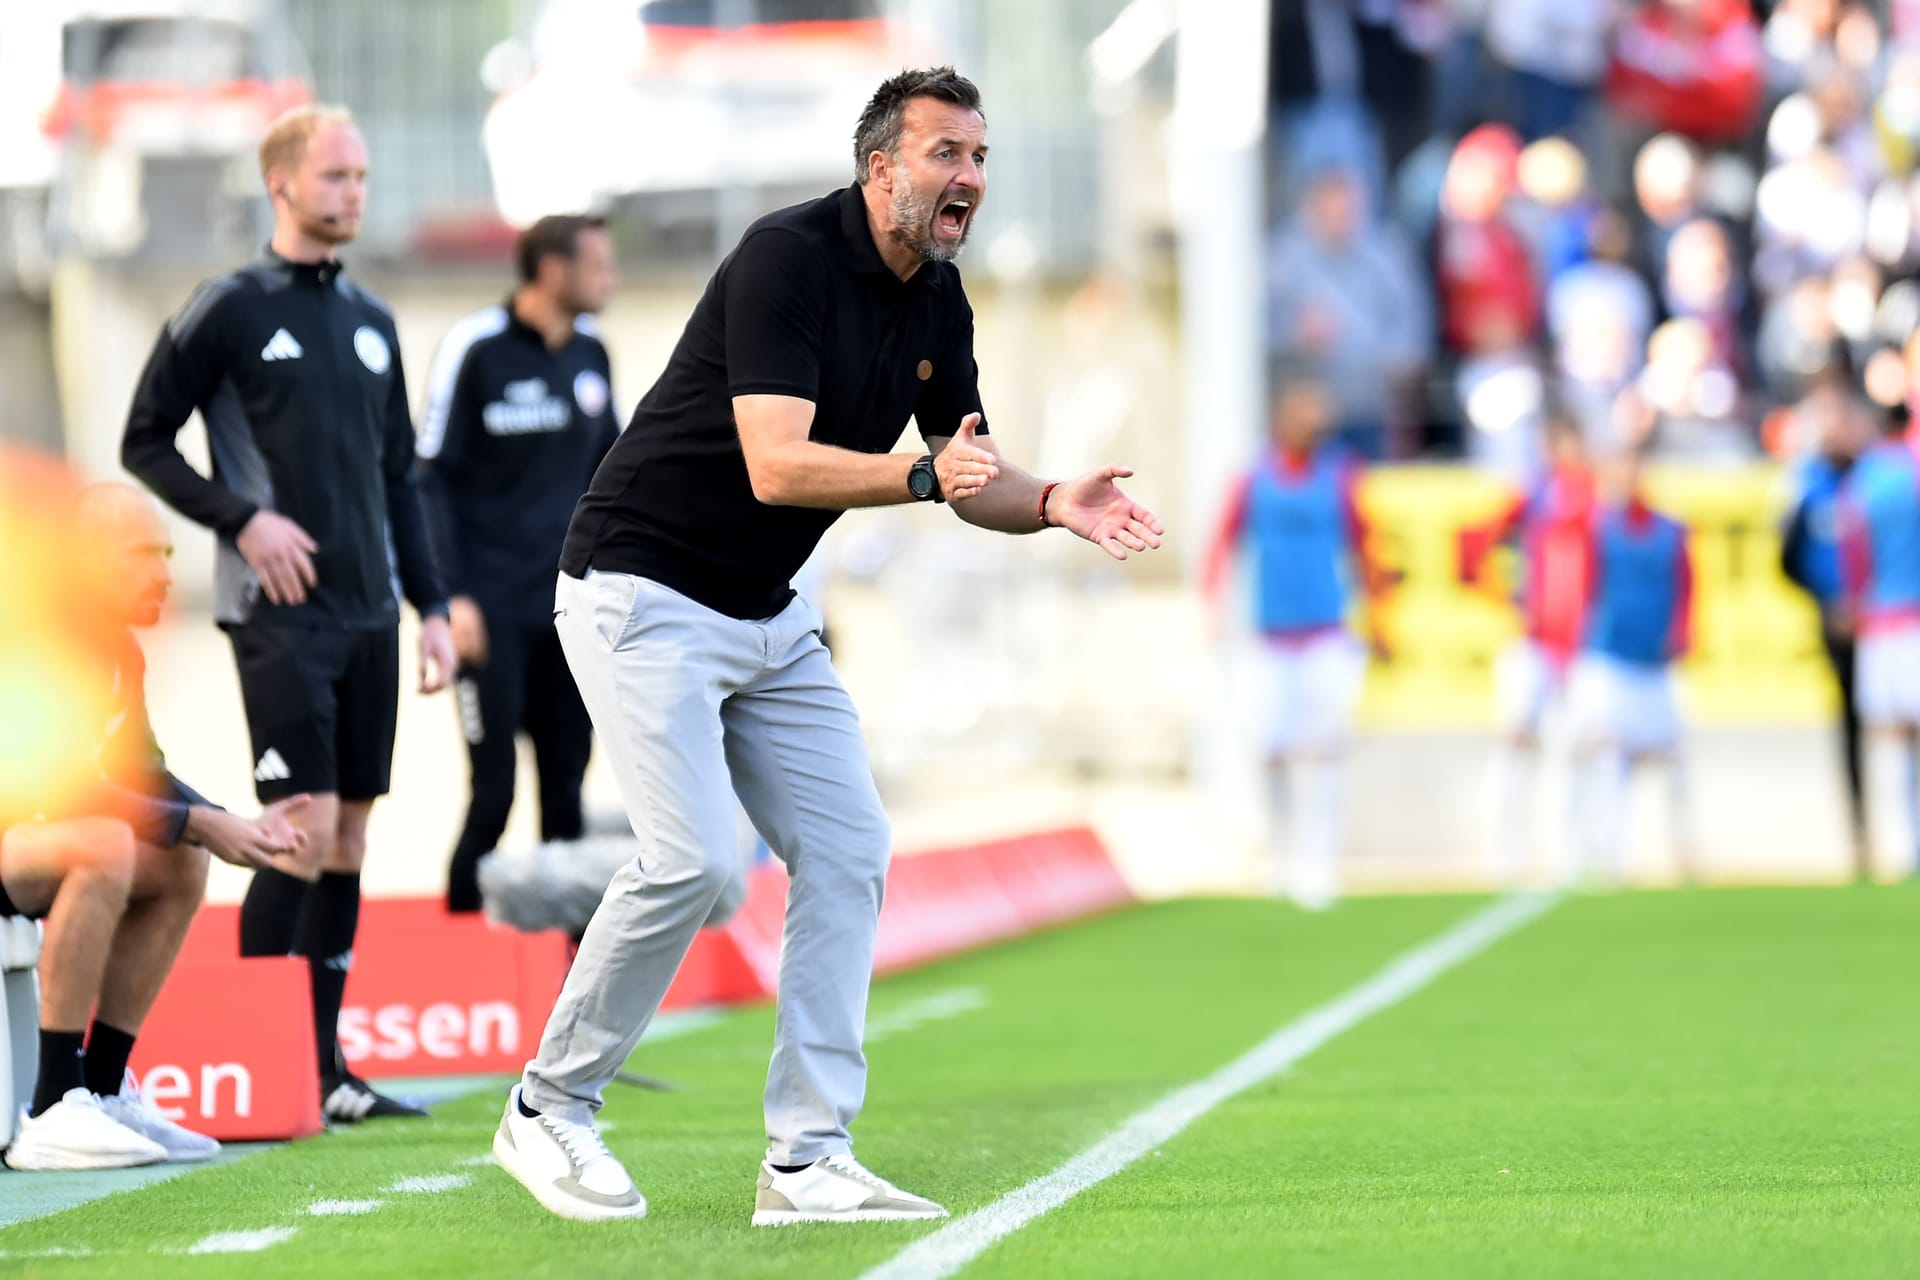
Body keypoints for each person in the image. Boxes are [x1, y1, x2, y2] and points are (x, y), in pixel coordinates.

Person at [491, 67, 1164, 1225]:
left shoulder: (938, 298)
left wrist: (1053, 497)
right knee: (697, 857)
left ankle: (805, 1158)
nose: (971, 179)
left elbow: (970, 470)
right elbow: (778, 461)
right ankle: (549, 1103)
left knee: (849, 847)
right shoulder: (785, 257)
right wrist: (917, 473)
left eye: (983, 157)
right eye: (948, 154)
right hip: (640, 590)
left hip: (767, 609)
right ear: (881, 169)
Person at [120, 103, 457, 1123]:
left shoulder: (372, 319)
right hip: (277, 614)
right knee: (296, 830)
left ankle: (323, 1068)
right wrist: (246, 519)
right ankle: (253, 1063)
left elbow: (401, 475)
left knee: (350, 836)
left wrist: (433, 606)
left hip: (369, 616)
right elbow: (145, 438)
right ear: (283, 183)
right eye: (337, 177)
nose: (355, 193)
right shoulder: (227, 305)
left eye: (361, 177)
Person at [3, 485, 310, 1170]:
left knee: (180, 860)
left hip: (38, 843)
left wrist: (230, 824)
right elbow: (62, 782)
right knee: (110, 841)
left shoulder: (121, 651)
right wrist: (197, 821)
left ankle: (105, 1090)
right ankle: (54, 1104)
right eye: (146, 554)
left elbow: (143, 776)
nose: (168, 573)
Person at [416, 215, 620, 914]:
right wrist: (450, 598)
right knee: (495, 790)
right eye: (599, 266)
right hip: (490, 610)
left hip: (570, 610)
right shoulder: (476, 348)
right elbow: (429, 477)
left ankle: (570, 975)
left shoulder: (593, 353)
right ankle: (462, 947)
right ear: (553, 271)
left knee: (566, 791)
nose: (610, 280)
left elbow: (613, 472)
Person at [1202, 380, 1386, 910]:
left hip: (1327, 632)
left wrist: (1375, 616)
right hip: (1271, 635)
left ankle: (1319, 861)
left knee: (1325, 749)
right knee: (1272, 748)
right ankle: (1280, 855)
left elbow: (1365, 545)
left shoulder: (1340, 473)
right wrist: (1213, 606)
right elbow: (1224, 540)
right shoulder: (1254, 477)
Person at [1457, 413, 1598, 884]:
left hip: (1579, 646)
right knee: (1516, 744)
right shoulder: (1533, 495)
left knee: (1573, 747)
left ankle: (1567, 853)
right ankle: (1503, 853)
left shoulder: (1596, 502)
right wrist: (1505, 597)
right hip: (1533, 640)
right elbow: (1472, 546)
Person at [1566, 443, 1696, 885]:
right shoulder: (1598, 527)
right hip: (1609, 658)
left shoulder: (1671, 530)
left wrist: (1681, 633)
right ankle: (1609, 855)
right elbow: (1582, 588)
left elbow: (1686, 586)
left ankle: (1683, 852)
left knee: (1672, 757)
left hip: (1654, 663)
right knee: (1606, 755)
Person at [1781, 371, 1870, 876]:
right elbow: (1789, 558)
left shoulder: (1880, 476)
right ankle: (1860, 836)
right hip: (1838, 624)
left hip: (1886, 622)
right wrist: (1829, 603)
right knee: (1850, 725)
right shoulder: (1806, 484)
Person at [1839, 401, 1920, 879]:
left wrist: (1855, 601)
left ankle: (1901, 849)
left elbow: (1854, 557)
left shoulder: (1862, 483)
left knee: (1891, 739)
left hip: (1881, 624)